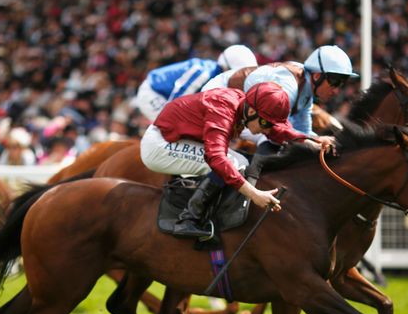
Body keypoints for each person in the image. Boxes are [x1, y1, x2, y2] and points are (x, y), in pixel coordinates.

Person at [140, 82, 334, 238]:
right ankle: (188, 220)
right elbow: (215, 157)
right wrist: (254, 194)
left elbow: (277, 130)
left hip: (177, 139)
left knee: (241, 160)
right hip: (159, 144)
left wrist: (313, 141)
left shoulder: (248, 105)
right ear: (251, 112)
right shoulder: (223, 109)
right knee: (232, 163)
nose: (268, 130)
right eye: (266, 123)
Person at [202, 44, 358, 140]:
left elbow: (304, 131)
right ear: (317, 76)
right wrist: (315, 141)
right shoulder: (288, 85)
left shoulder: (307, 89)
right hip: (217, 98)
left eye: (342, 85)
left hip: (243, 113)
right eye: (335, 82)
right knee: (269, 141)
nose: (337, 91)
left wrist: (321, 142)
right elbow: (278, 130)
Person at [135, 44, 258, 122]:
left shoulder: (218, 76)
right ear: (227, 67)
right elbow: (175, 103)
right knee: (173, 125)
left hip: (168, 96)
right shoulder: (203, 72)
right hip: (153, 92)